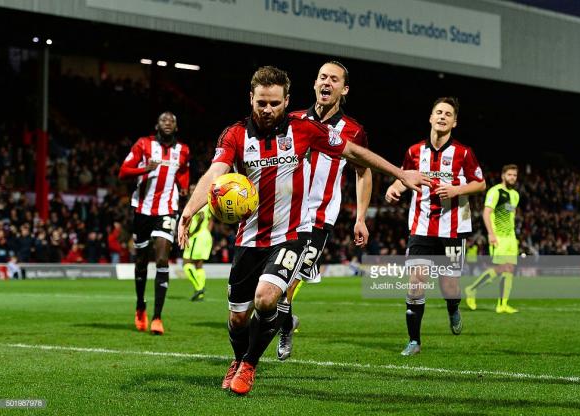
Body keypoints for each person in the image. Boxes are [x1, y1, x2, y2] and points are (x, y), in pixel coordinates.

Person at [178, 66, 429, 395]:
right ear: (251, 99)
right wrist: (188, 211)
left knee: (267, 299)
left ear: (286, 101)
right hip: (250, 238)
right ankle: (239, 359)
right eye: (261, 103)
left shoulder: (305, 130)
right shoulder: (235, 135)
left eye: (274, 103)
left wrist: (401, 172)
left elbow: (354, 153)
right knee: (238, 319)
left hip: (293, 233)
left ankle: (250, 365)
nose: (267, 110)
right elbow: (215, 173)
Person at [276, 60, 372, 361]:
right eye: (322, 77)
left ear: (344, 89)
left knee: (286, 282)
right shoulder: (290, 119)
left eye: (334, 79)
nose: (326, 82)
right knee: (272, 284)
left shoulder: (353, 131)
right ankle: (286, 321)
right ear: (315, 84)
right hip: (284, 212)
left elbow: (364, 172)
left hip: (319, 218)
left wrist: (360, 218)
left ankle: (281, 331)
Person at [386, 97, 486, 356]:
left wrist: (456, 189)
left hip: (453, 230)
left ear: (454, 122)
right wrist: (394, 188)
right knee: (415, 281)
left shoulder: (464, 153)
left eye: (448, 114)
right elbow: (403, 178)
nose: (442, 117)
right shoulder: (414, 152)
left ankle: (453, 307)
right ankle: (414, 341)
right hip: (420, 228)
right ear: (430, 118)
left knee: (449, 285)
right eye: (438, 112)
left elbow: (480, 184)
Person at [118, 111, 190, 335]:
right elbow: (123, 172)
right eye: (163, 120)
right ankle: (141, 306)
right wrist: (145, 169)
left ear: (176, 127)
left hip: (167, 210)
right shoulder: (143, 144)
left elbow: (184, 172)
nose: (167, 123)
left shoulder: (183, 150)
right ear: (156, 125)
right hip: (142, 210)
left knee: (161, 259)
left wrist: (184, 186)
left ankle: (157, 318)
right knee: (141, 261)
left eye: (171, 120)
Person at [465, 164, 520, 313]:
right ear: (503, 175)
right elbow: (486, 213)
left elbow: (510, 213)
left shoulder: (515, 195)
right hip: (499, 236)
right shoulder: (495, 191)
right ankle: (472, 289)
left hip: (510, 237)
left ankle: (502, 305)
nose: (512, 178)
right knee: (501, 268)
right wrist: (491, 233)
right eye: (509, 175)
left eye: (514, 175)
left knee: (510, 269)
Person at [182, 186, 213, 302]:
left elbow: (201, 217)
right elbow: (210, 220)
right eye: (190, 189)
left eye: (193, 189)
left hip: (197, 236)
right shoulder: (206, 202)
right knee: (199, 265)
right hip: (204, 236)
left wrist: (192, 233)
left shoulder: (198, 202)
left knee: (186, 264)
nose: (191, 191)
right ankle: (200, 294)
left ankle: (199, 288)